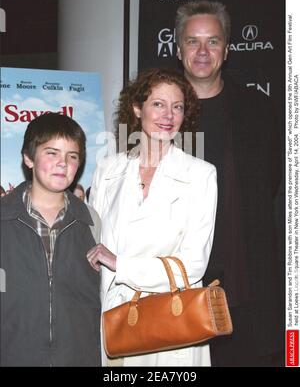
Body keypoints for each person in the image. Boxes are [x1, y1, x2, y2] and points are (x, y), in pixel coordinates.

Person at [175, 0, 284, 367]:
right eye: (193, 42)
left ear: (227, 49)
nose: (203, 52)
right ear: (178, 50)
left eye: (213, 41)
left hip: (245, 291)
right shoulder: (153, 111)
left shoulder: (258, 110)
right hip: (176, 290)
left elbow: (271, 183)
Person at [87, 68, 217, 367]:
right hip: (116, 319)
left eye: (178, 106)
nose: (168, 115)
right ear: (137, 108)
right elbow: (94, 248)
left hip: (172, 320)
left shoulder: (201, 174)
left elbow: (193, 265)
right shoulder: (108, 170)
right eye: (158, 104)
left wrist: (122, 264)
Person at [0, 112, 101, 367]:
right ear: (28, 158)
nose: (63, 163)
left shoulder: (91, 221)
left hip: (79, 357)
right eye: (52, 153)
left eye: (72, 156)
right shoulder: (3, 218)